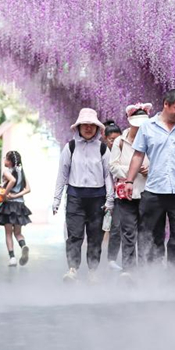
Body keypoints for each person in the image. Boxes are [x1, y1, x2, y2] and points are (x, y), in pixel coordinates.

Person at [124, 89, 175, 265]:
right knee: (151, 236)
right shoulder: (147, 127)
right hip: (154, 190)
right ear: (166, 104)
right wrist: (129, 181)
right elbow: (137, 155)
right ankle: (153, 277)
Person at [53, 108, 114, 282]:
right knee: (74, 234)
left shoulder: (102, 149)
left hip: (97, 199)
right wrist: (56, 199)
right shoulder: (70, 147)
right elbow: (62, 174)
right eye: (84, 125)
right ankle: (72, 269)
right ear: (78, 127)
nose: (88, 128)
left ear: (96, 128)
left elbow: (108, 176)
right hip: (75, 197)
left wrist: (110, 199)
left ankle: (93, 271)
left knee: (95, 236)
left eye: (91, 125)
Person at [109, 103, 152, 276]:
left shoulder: (152, 139)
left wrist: (150, 169)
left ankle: (143, 268)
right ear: (129, 121)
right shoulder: (119, 141)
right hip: (126, 194)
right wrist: (132, 170)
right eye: (136, 123)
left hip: (147, 191)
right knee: (128, 231)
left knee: (145, 231)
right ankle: (128, 269)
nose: (139, 127)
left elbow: (160, 162)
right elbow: (112, 167)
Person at [0, 151, 32, 267]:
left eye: (5, 159)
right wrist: (16, 195)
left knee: (8, 233)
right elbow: (28, 189)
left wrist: (5, 194)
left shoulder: (7, 172)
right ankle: (23, 246)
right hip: (20, 205)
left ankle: (12, 258)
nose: (4, 161)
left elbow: (12, 181)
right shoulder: (22, 172)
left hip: (9, 205)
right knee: (18, 233)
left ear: (10, 162)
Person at [102, 120, 124, 270]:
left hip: (121, 195)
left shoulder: (125, 153)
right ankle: (105, 259)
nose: (114, 142)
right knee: (107, 227)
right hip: (104, 195)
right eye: (111, 140)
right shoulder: (102, 153)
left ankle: (114, 259)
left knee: (118, 226)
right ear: (105, 139)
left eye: (117, 139)